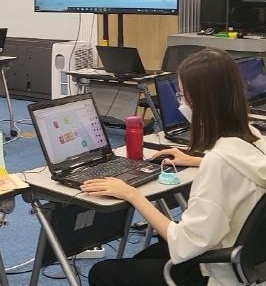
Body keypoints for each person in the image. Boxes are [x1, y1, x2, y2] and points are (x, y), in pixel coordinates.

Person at [84, 48, 266, 286]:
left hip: (217, 273)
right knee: (148, 255)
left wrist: (133, 195)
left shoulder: (219, 164)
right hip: (249, 263)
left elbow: (184, 242)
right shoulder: (254, 136)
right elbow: (239, 169)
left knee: (103, 272)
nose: (181, 104)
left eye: (182, 96)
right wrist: (197, 160)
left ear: (202, 102)